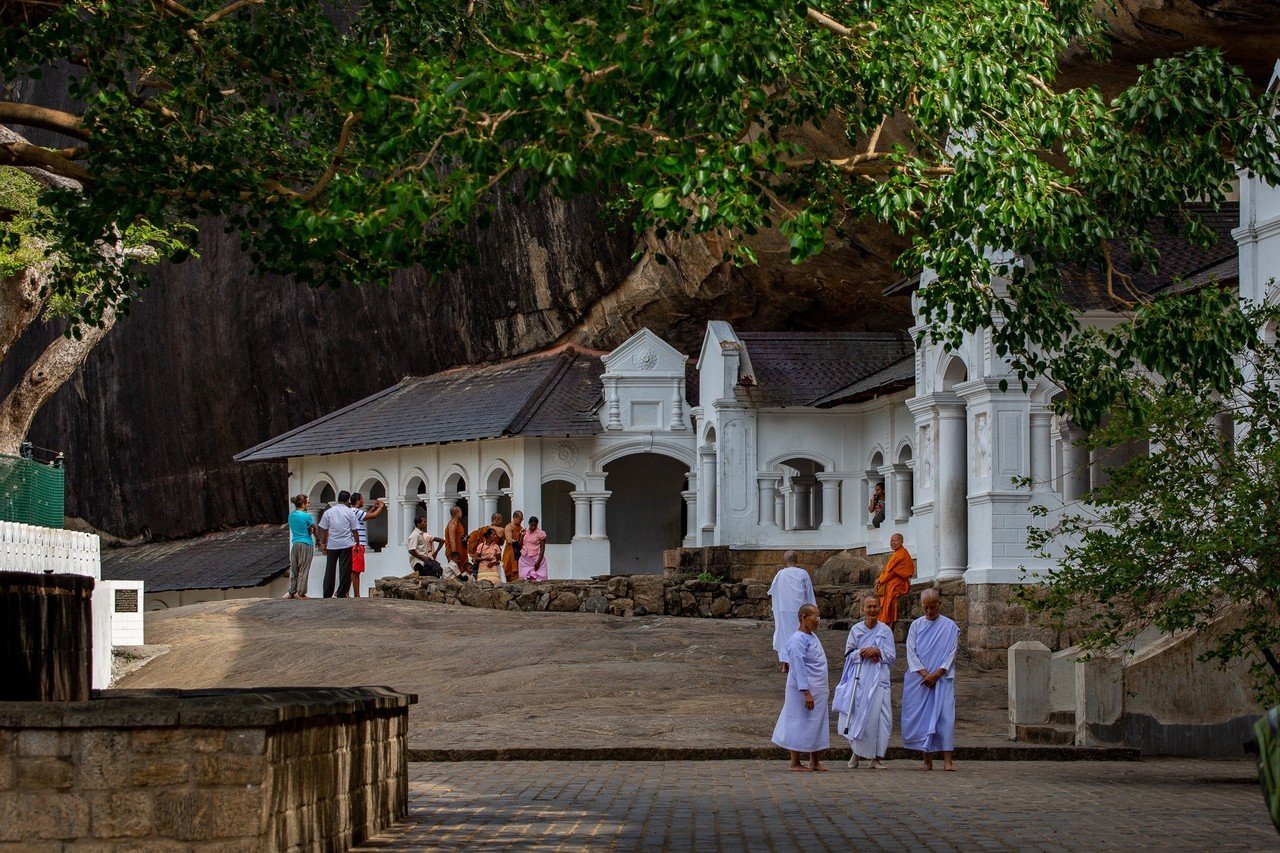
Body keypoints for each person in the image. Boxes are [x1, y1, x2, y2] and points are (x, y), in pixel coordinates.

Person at [832, 594, 896, 769]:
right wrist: (861, 652)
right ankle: (856, 754)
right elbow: (848, 654)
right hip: (860, 679)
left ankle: (876, 758)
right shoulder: (856, 630)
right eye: (869, 607)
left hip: (879, 680)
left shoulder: (885, 631)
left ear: (880, 608)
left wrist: (878, 651)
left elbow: (891, 657)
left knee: (880, 719)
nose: (872, 610)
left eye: (875, 606)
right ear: (862, 609)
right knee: (858, 717)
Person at [901, 588, 960, 771]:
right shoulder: (916, 626)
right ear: (921, 606)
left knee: (945, 718)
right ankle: (927, 760)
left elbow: (951, 652)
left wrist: (937, 674)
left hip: (942, 679)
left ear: (939, 605)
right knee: (923, 719)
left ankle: (948, 760)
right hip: (920, 680)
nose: (929, 611)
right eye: (926, 608)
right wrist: (925, 674)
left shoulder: (950, 626)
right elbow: (911, 651)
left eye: (933, 607)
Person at [771, 603, 829, 772]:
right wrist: (806, 692)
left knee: (816, 722)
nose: (817, 621)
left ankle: (814, 760)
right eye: (814, 617)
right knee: (797, 721)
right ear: (804, 617)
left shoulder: (812, 637)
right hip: (803, 689)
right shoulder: (797, 639)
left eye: (819, 617)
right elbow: (798, 667)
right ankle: (795, 762)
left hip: (818, 687)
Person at [769, 551, 816, 672]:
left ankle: (785, 663)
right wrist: (813, 609)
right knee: (799, 635)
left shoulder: (780, 574)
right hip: (799, 610)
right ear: (797, 560)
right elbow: (809, 593)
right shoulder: (803, 574)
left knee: (784, 635)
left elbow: (773, 592)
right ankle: (797, 663)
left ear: (784, 561)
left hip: (784, 610)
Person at [317, 490, 358, 598]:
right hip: (346, 544)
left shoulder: (329, 512)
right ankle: (341, 592)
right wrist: (357, 543)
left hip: (332, 544)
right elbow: (354, 530)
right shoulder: (350, 512)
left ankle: (327, 592)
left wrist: (324, 543)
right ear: (348, 500)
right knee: (345, 570)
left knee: (330, 569)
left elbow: (324, 530)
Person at [348, 492, 386, 598]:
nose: (364, 501)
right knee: (354, 570)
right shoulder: (355, 511)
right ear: (358, 501)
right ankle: (345, 591)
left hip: (354, 544)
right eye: (362, 499)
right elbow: (373, 516)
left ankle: (356, 594)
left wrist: (373, 508)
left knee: (356, 571)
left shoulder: (353, 512)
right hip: (357, 545)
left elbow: (366, 517)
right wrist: (381, 507)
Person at [875, 534, 914, 625]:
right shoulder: (896, 553)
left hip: (899, 582)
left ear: (901, 542)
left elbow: (893, 573)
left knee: (889, 589)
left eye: (895, 541)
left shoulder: (902, 554)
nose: (892, 543)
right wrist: (880, 579)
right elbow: (887, 570)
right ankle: (882, 618)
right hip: (891, 580)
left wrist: (881, 580)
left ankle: (887, 619)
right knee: (882, 589)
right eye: (891, 541)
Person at [285, 494, 315, 599]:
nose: (308, 505)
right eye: (307, 502)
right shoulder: (306, 515)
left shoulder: (291, 515)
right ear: (303, 504)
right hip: (306, 543)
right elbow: (314, 528)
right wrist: (319, 541)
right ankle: (301, 592)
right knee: (304, 567)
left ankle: (292, 591)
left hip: (295, 543)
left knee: (294, 568)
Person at [518, 516, 548, 581]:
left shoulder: (541, 533)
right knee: (525, 577)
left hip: (536, 557)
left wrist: (538, 562)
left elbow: (542, 548)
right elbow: (520, 545)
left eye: (535, 525)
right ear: (529, 524)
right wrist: (521, 536)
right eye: (532, 525)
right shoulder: (524, 532)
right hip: (525, 558)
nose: (533, 527)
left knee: (538, 578)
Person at [444, 505, 467, 579]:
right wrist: (455, 555)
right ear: (457, 513)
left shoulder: (458, 523)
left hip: (461, 549)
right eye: (460, 512)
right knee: (454, 569)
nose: (461, 513)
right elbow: (452, 540)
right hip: (455, 552)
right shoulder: (453, 524)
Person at [503, 511, 525, 582]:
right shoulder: (509, 527)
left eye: (522, 519)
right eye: (520, 519)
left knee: (517, 572)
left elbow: (522, 541)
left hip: (518, 552)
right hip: (510, 552)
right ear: (514, 517)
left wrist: (522, 535)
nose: (521, 521)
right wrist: (517, 540)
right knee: (507, 571)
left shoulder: (520, 528)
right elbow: (509, 540)